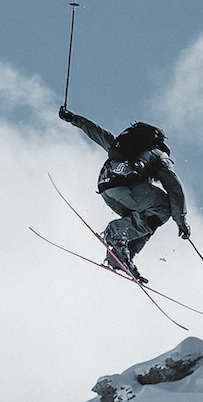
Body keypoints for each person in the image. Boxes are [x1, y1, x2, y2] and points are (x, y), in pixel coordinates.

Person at [58, 105, 188, 282]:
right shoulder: (160, 156)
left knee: (144, 220)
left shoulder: (126, 147)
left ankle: (119, 257)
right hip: (128, 189)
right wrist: (181, 221)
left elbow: (98, 133)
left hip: (107, 189)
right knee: (164, 209)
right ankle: (116, 232)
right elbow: (174, 188)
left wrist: (73, 118)